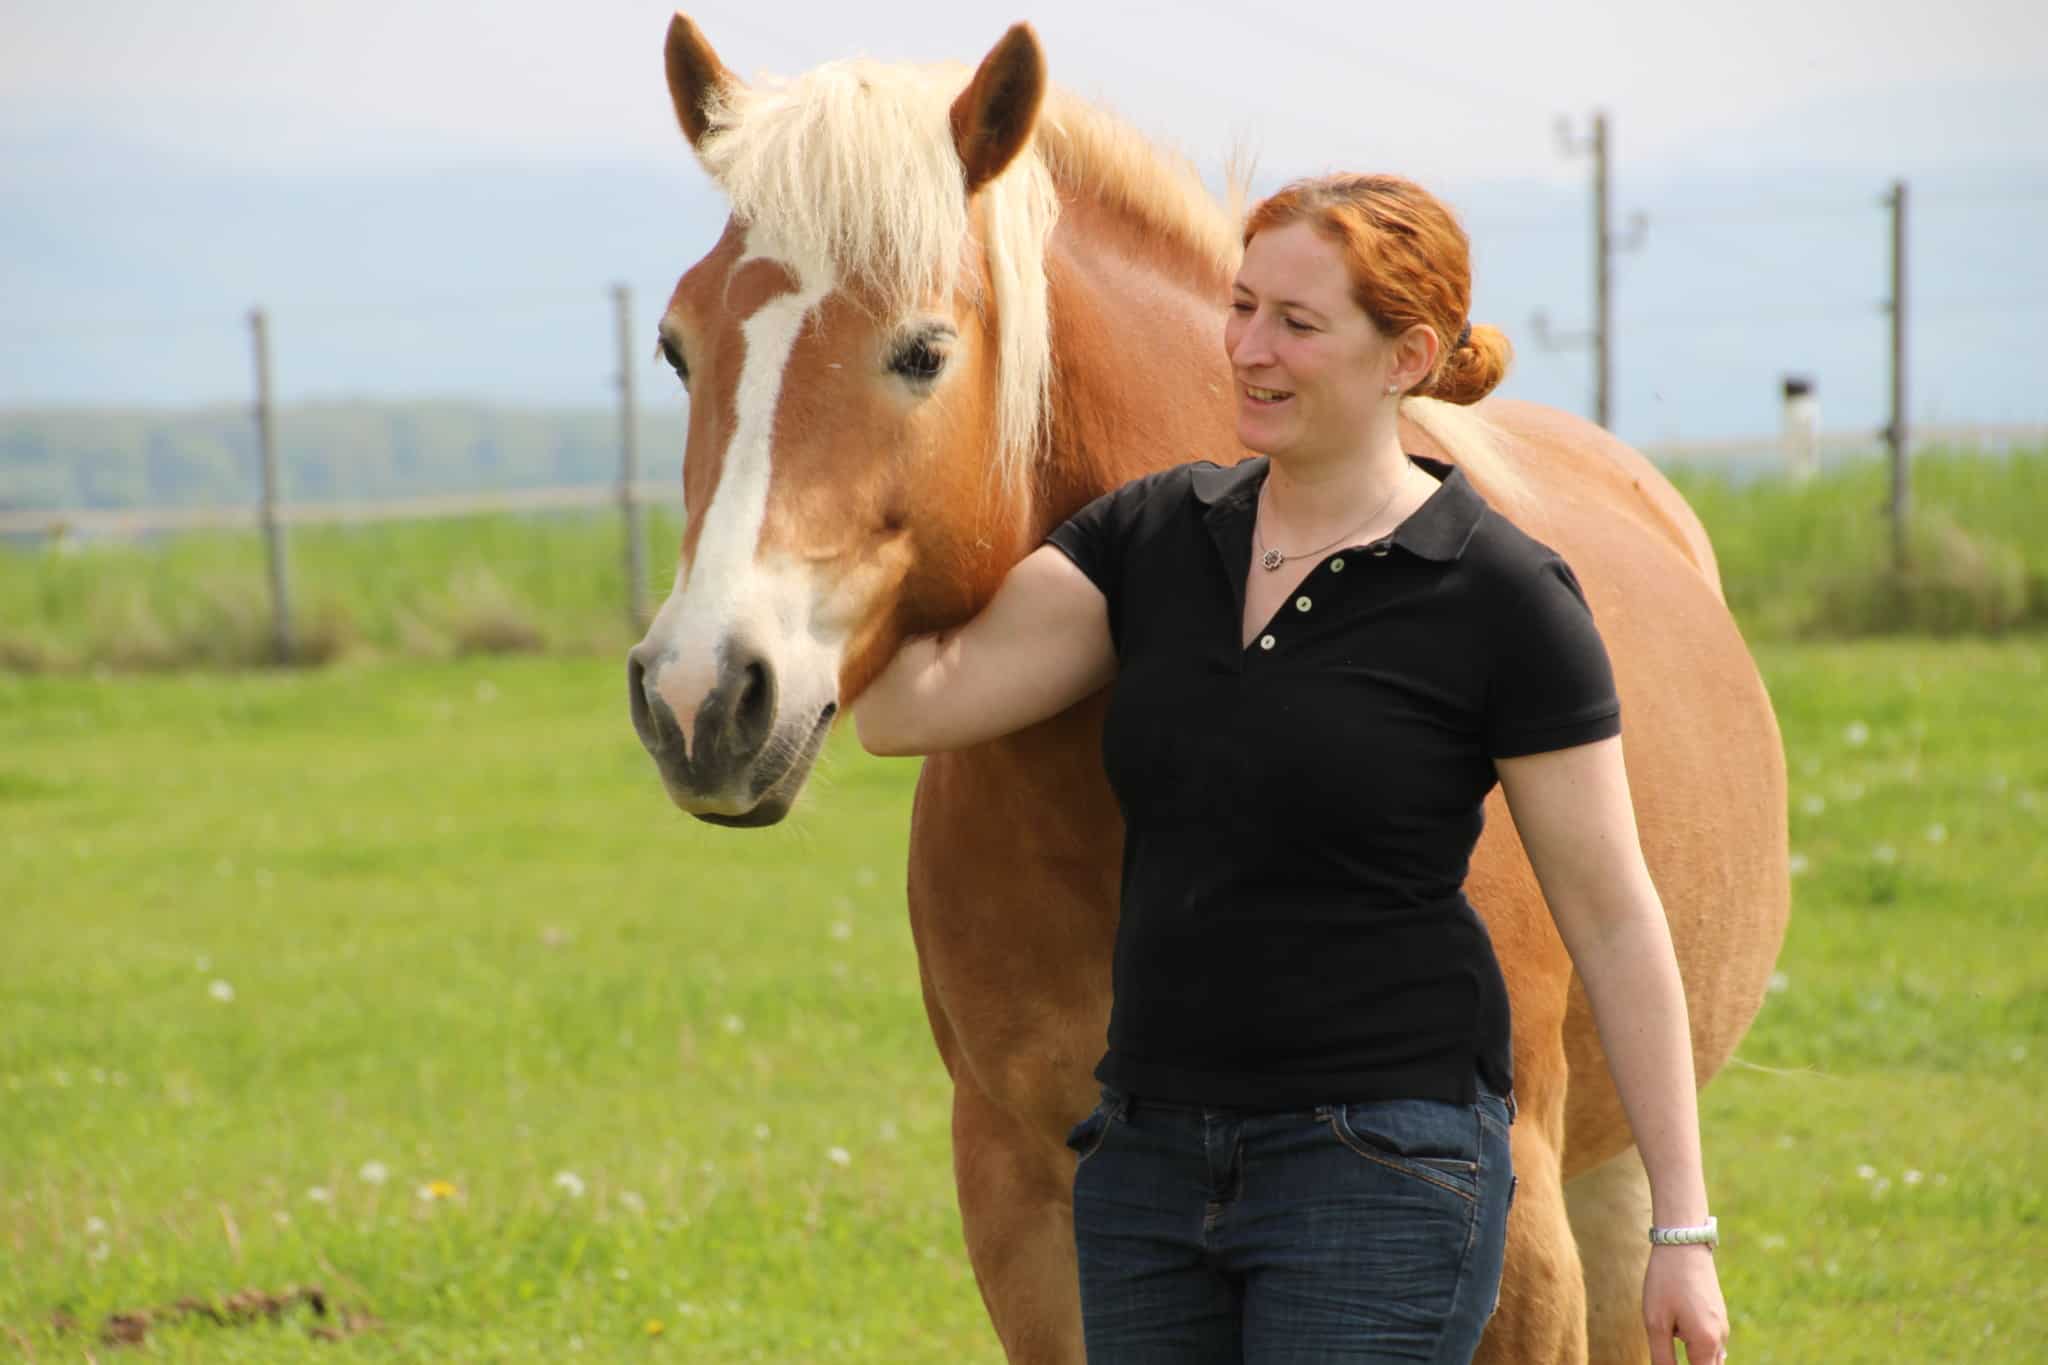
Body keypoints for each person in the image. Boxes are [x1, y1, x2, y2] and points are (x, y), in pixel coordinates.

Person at [855, 173, 1729, 1365]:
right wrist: (787, 590)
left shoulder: (1500, 596)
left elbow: (1614, 917)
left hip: (1380, 1164)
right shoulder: (1150, 538)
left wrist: (1680, 1225)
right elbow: (913, 708)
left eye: (1296, 324)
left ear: (1404, 357)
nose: (1247, 351)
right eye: (1241, 305)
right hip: (1150, 1168)